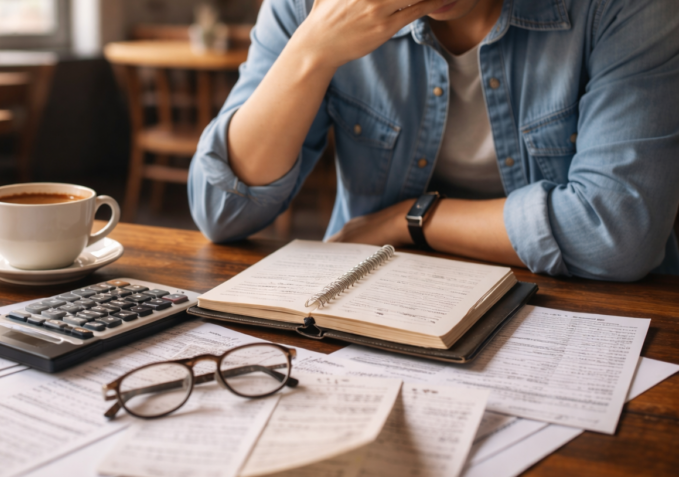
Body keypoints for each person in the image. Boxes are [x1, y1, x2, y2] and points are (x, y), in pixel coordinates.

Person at [187, 0, 679, 281]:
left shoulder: (624, 9)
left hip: (578, 303)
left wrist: (408, 220)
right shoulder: (306, 6)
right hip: (369, 290)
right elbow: (222, 212)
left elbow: (616, 234)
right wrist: (311, 52)